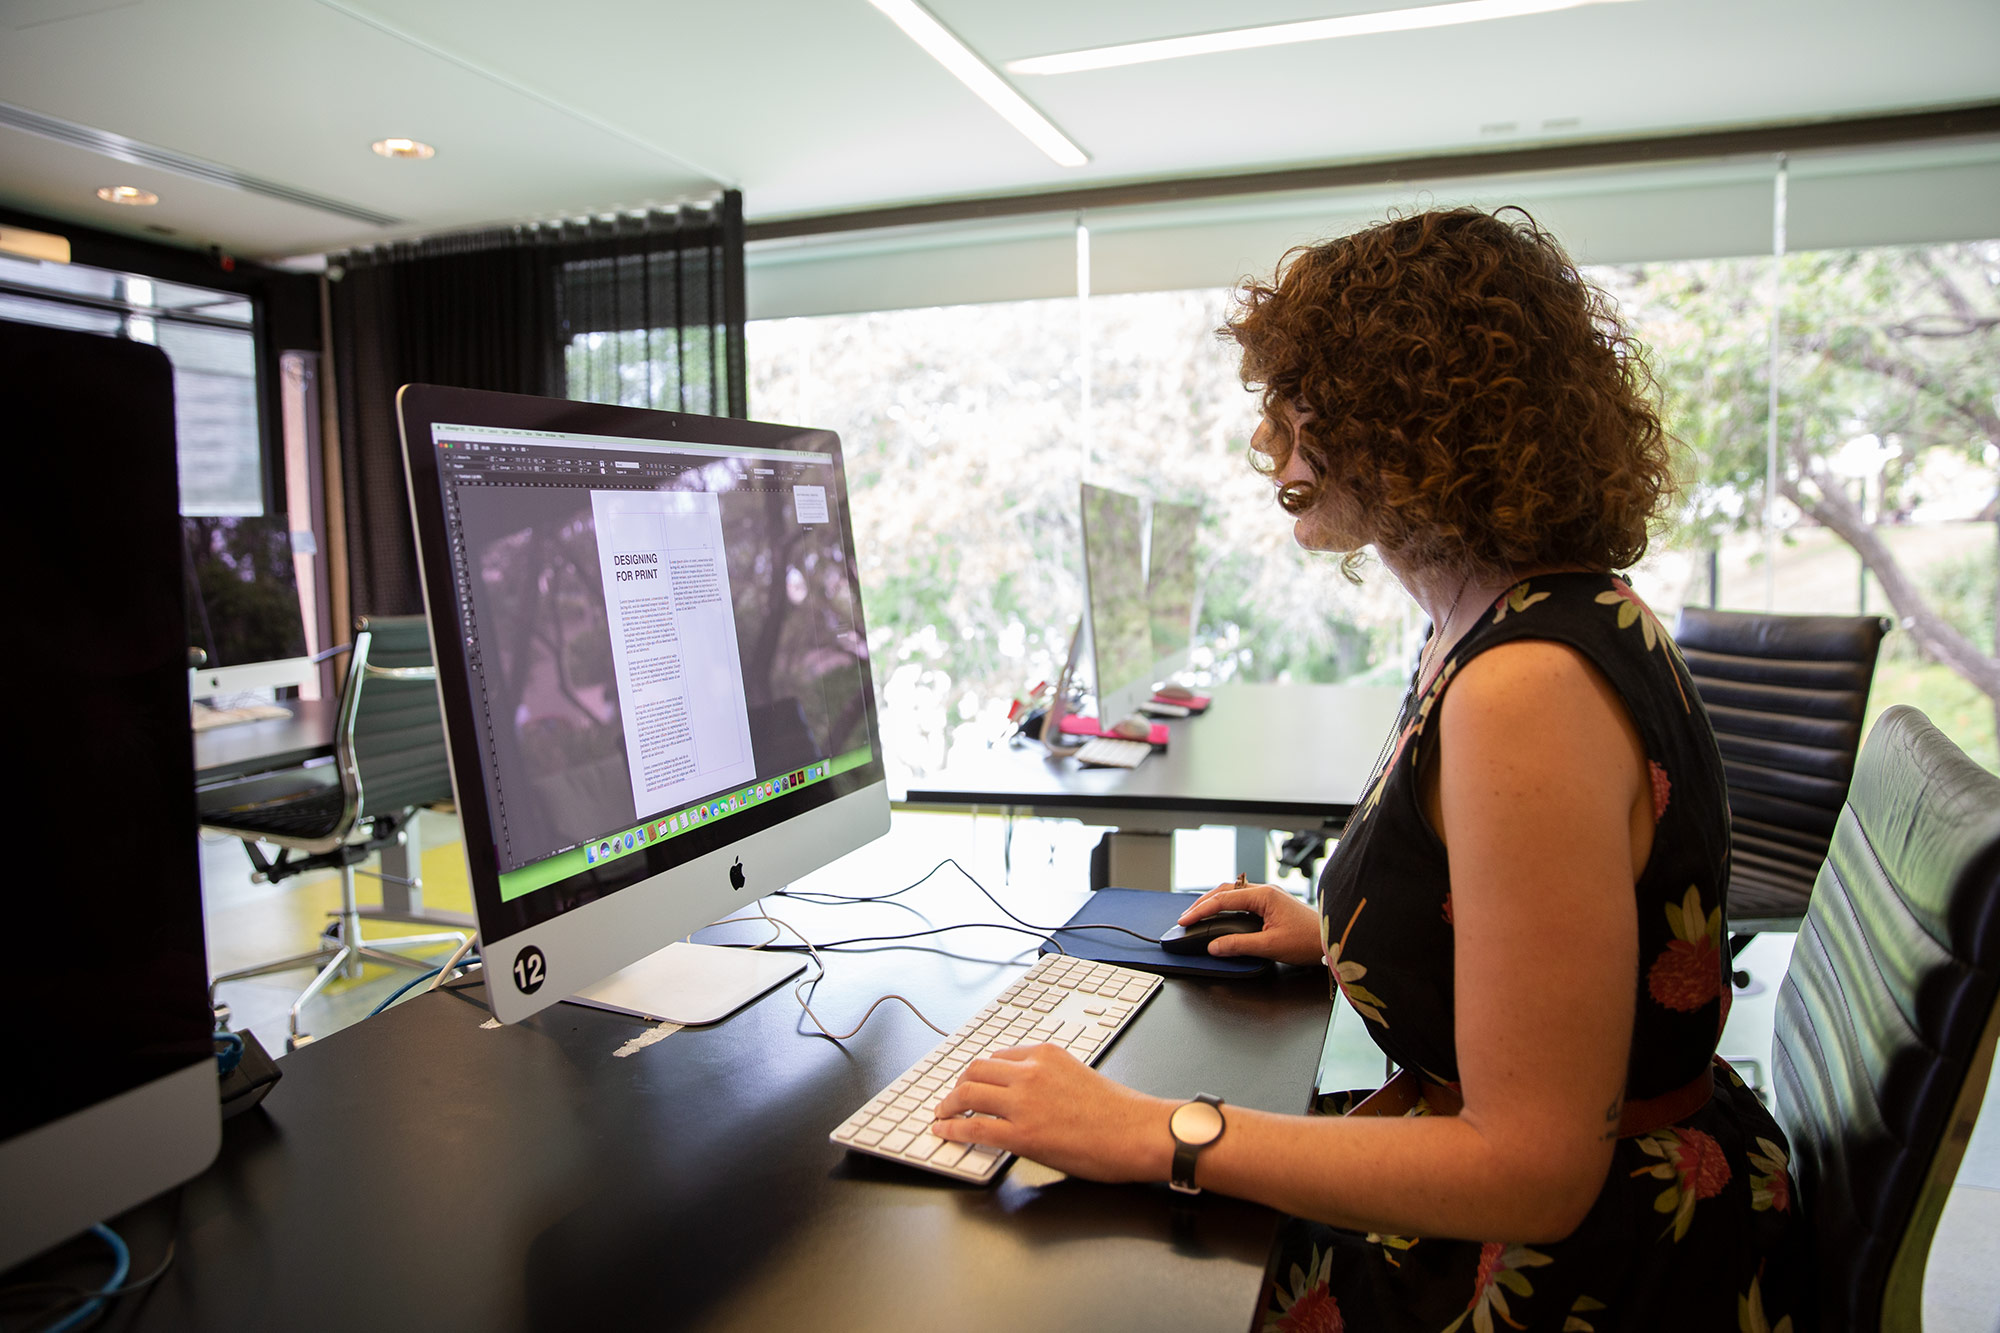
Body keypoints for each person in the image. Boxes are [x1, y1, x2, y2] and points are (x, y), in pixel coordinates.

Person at [930, 208, 1810, 1331]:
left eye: (1305, 408)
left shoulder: (1522, 684)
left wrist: (1154, 1131)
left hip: (1593, 1267)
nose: (1278, 442)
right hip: (1626, 1198)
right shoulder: (1517, 612)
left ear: (1411, 424)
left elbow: (1532, 1172)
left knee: (1071, 1289)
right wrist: (1346, 931)